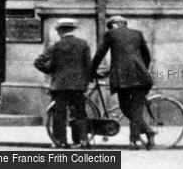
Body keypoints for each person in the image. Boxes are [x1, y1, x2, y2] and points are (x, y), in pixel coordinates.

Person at [91, 15, 156, 150]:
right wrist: (142, 68)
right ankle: (148, 131)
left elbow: (100, 53)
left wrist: (92, 70)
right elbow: (147, 55)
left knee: (126, 107)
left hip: (122, 77)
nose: (109, 29)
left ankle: (134, 140)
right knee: (135, 108)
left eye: (110, 26)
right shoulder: (137, 34)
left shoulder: (110, 34)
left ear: (116, 24)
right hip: (140, 75)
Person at [34, 18, 91, 148]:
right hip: (78, 85)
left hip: (60, 86)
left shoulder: (56, 46)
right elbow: (88, 66)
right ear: (72, 30)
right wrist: (85, 81)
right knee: (80, 113)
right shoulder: (83, 44)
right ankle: (82, 141)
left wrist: (51, 72)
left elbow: (42, 63)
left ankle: (61, 141)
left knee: (59, 115)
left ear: (60, 31)